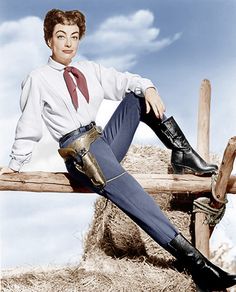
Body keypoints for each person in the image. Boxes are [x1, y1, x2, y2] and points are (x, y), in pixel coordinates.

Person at [0, 9, 235, 290]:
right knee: (138, 200)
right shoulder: (37, 79)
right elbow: (29, 124)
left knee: (136, 98)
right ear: (48, 40)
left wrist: (148, 88)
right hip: (80, 154)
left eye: (74, 37)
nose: (68, 43)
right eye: (61, 36)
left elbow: (127, 81)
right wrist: (16, 163)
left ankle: (182, 154)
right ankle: (198, 266)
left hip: (101, 140)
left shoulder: (89, 70)